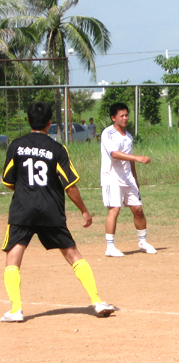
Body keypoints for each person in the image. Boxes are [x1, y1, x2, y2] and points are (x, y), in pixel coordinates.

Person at [1, 102, 115, 322]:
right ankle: (97, 301)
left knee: (13, 257)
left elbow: (8, 181)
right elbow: (69, 185)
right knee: (72, 254)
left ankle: (16, 310)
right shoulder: (57, 149)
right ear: (49, 122)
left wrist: (26, 189)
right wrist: (84, 210)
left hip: (22, 210)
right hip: (50, 210)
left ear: (28, 120)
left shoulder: (16, 145)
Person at [101, 102, 156, 257]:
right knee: (114, 210)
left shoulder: (129, 136)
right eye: (122, 116)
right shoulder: (108, 133)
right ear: (113, 118)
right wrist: (137, 157)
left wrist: (135, 178)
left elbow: (129, 160)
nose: (125, 118)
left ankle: (142, 242)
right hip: (111, 177)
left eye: (126, 115)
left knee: (138, 209)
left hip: (127, 178)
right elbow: (114, 153)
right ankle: (110, 247)